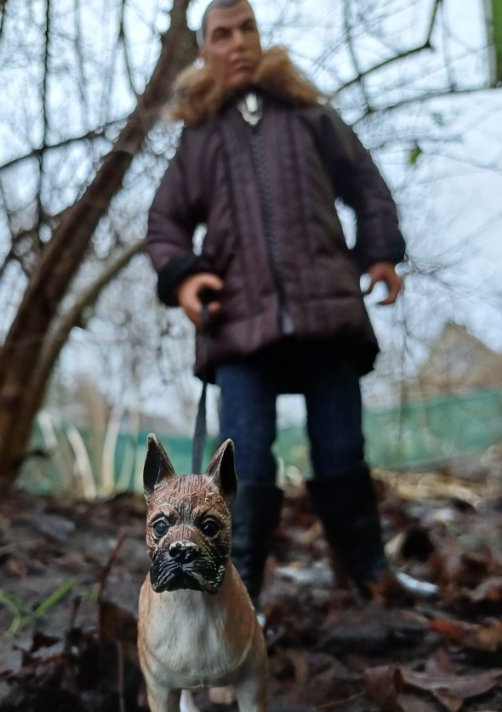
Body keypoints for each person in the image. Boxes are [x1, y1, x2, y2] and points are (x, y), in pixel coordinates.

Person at [145, 0, 410, 604]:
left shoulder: (309, 115)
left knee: (343, 448)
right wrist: (184, 277)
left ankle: (370, 576)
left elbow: (366, 184)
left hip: (326, 313)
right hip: (239, 323)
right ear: (205, 51)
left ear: (259, 38)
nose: (237, 43)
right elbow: (164, 222)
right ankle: (238, 590)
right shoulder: (200, 138)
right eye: (222, 34)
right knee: (244, 458)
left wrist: (381, 252)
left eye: (247, 30)